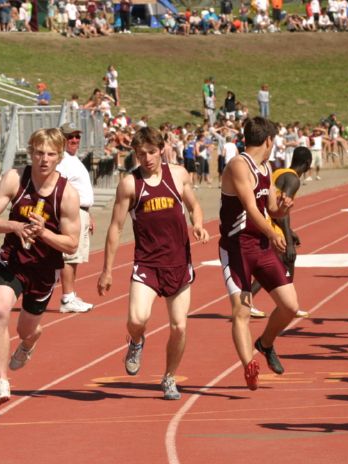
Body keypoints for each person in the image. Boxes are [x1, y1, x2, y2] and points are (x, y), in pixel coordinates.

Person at [97, 127, 208, 400]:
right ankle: (136, 341)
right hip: (147, 263)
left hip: (178, 262)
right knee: (137, 319)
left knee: (179, 326)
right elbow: (115, 228)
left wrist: (198, 224)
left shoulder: (178, 175)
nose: (146, 158)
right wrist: (107, 270)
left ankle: (169, 377)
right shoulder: (130, 184)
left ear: (161, 150)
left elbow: (194, 205)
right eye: (140, 153)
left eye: (151, 152)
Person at [0, 128, 81, 405]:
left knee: (26, 329)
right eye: (38, 153)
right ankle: (2, 381)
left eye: (50, 154)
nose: (44, 159)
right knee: (0, 312)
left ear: (59, 157)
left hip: (43, 268)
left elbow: (72, 244)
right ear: (30, 152)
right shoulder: (15, 178)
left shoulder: (67, 194)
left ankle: (29, 342)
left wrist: (43, 233)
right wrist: (15, 225)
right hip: (11, 259)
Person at [218, 117, 296, 390]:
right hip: (237, 247)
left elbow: (271, 208)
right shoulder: (239, 166)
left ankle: (265, 343)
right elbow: (251, 208)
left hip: (260, 246)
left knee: (290, 306)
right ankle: (248, 364)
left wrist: (285, 206)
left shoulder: (266, 166)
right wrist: (274, 233)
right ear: (269, 141)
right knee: (242, 311)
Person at [249, 146, 313, 318]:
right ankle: (289, 303)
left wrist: (290, 232)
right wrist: (289, 240)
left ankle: (285, 302)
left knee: (277, 262)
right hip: (270, 222)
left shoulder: (280, 171)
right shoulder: (293, 180)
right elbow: (282, 209)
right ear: (308, 163)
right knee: (287, 257)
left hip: (266, 219)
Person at [56, 123, 95, 313]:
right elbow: (60, 189)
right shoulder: (62, 161)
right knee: (69, 256)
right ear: (61, 139)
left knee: (75, 257)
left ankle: (69, 295)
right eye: (70, 137)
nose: (74, 140)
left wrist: (89, 215)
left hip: (82, 212)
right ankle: (67, 297)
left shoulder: (73, 159)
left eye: (77, 137)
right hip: (73, 212)